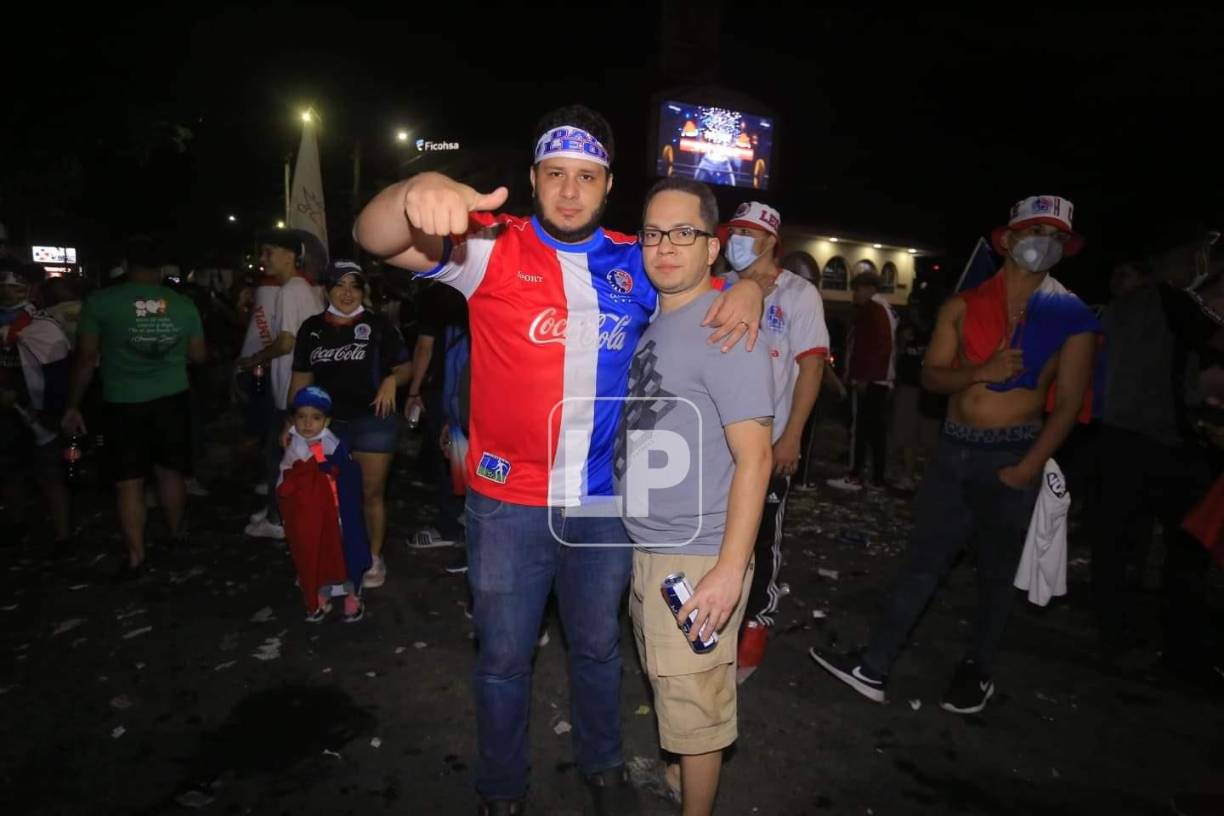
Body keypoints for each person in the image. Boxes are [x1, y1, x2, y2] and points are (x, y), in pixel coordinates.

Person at [356, 103, 763, 816]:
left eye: (586, 177)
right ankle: (501, 787)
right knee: (505, 660)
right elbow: (375, 236)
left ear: (607, 186)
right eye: (555, 175)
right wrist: (414, 190)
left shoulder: (633, 260)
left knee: (599, 651)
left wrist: (752, 288)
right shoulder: (491, 247)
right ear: (534, 180)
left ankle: (602, 766)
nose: (570, 192)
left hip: (602, 505)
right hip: (506, 505)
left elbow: (703, 279)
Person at [811, 195, 1098, 714]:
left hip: (1013, 455)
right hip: (955, 451)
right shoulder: (964, 305)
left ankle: (977, 671)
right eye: (1037, 231)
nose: (1045, 245)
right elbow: (932, 377)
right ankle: (874, 666)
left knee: (995, 575)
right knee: (923, 563)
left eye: (1057, 238)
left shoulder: (1070, 314)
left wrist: (1026, 469)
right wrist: (980, 371)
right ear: (1007, 239)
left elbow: (1072, 405)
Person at [623, 178, 774, 816]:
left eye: (683, 233)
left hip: (694, 557)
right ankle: (677, 780)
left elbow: (756, 457)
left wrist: (727, 573)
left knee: (696, 711)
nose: (666, 246)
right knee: (672, 689)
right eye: (655, 232)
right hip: (651, 548)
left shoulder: (724, 328)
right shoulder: (663, 321)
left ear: (712, 247)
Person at [1092, 257, 1224, 676]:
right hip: (1153, 442)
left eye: (1124, 273)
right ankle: (1167, 640)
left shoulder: (1140, 311)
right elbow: (1195, 383)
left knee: (1121, 544)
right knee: (1173, 546)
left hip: (1128, 438)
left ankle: (1121, 635)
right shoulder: (1170, 310)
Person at [718, 201, 829, 681]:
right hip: (712, 438)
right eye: (733, 230)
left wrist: (792, 436)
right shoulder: (717, 284)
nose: (735, 239)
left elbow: (811, 366)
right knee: (713, 535)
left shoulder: (799, 294)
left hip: (766, 442)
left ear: (770, 241)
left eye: (747, 232)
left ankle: (755, 625)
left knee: (761, 537)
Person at [61, 237, 206, 578]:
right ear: (161, 268)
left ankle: (137, 555)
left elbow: (85, 358)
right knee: (170, 471)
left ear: (126, 265)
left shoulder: (101, 302)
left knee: (129, 481)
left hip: (122, 401)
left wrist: (73, 404)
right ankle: (176, 533)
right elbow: (199, 356)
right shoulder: (182, 305)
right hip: (172, 397)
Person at [285, 259, 412, 589]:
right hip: (325, 426)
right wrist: (291, 424)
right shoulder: (312, 328)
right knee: (328, 495)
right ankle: (332, 556)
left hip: (374, 420)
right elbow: (300, 378)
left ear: (363, 291)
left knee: (370, 493)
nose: (346, 293)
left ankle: (372, 556)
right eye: (339, 285)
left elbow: (405, 367)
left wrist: (391, 381)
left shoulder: (379, 324)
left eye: (354, 286)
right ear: (327, 289)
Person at [239, 229, 325, 541]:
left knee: (279, 457)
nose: (263, 260)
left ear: (290, 255)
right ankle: (283, 512)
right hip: (299, 388)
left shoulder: (291, 290)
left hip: (292, 390)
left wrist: (254, 359)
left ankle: (279, 520)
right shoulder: (305, 288)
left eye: (269, 252)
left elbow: (286, 342)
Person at [277, 385, 370, 623]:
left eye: (316, 418)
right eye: (301, 417)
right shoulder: (293, 446)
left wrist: (329, 470)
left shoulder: (333, 445)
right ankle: (320, 593)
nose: (308, 423)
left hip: (337, 516)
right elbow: (284, 479)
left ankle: (352, 594)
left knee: (344, 552)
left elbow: (348, 477)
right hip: (310, 517)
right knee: (316, 552)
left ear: (326, 421)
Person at [0, 261, 72, 550]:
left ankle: (63, 536)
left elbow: (59, 373)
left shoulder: (45, 327)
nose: (7, 293)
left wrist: (52, 412)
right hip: (5, 417)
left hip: (41, 414)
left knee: (51, 476)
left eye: (14, 287)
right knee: (8, 472)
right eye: (2, 288)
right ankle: (16, 526)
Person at [404, 280, 469, 552]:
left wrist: (413, 391)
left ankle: (451, 526)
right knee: (477, 460)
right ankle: (472, 520)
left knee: (451, 459)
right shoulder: (479, 283)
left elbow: (424, 348)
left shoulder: (435, 296)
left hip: (448, 389)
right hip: (485, 388)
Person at [827, 271, 897, 491]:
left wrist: (864, 377)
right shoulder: (884, 308)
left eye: (856, 289)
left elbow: (876, 347)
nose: (853, 294)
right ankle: (876, 477)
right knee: (876, 431)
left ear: (868, 288)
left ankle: (855, 475)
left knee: (861, 430)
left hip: (870, 380)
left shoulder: (873, 310)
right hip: (880, 380)